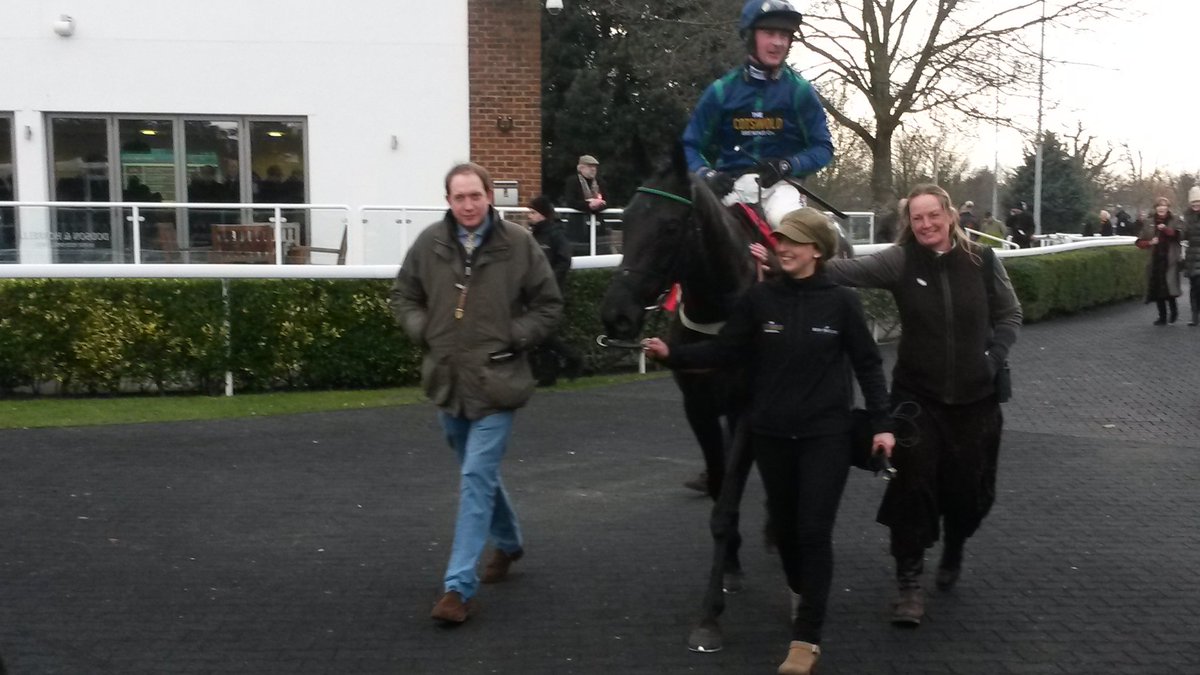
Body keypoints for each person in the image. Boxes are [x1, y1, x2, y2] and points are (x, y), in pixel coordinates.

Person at [644, 208, 894, 675]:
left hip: (827, 436)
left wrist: (882, 423)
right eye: (780, 240)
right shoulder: (760, 300)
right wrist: (672, 353)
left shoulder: (842, 303)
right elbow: (725, 350)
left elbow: (868, 365)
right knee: (788, 531)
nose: (783, 247)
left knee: (814, 530)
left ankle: (806, 640)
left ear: (817, 250)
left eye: (794, 241)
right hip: (772, 435)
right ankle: (801, 590)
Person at [824, 183, 1022, 628]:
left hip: (977, 402)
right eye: (917, 218)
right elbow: (844, 272)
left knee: (969, 494)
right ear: (909, 223)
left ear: (950, 215)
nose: (926, 224)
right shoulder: (900, 260)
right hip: (917, 401)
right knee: (911, 490)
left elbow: (1010, 314)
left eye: (933, 215)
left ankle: (954, 546)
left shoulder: (984, 262)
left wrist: (994, 358)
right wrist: (789, 260)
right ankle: (909, 585)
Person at [390, 162, 563, 624]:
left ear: (490, 197)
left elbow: (549, 305)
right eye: (459, 197)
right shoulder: (430, 243)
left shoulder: (519, 244)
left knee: (473, 480)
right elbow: (404, 295)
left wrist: (514, 334)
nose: (468, 204)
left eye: (475, 195)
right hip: (448, 382)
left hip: (498, 382)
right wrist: (423, 328)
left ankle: (457, 588)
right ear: (448, 200)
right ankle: (508, 544)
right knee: (478, 474)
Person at [682, 0, 833, 230]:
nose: (778, 42)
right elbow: (689, 145)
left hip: (781, 188)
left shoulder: (800, 92)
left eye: (784, 35)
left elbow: (823, 147)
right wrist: (707, 175)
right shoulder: (721, 91)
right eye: (769, 33)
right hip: (728, 188)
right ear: (750, 36)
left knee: (793, 228)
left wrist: (787, 164)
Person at [526, 195, 583, 384]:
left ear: (542, 214)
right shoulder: (534, 235)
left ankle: (572, 359)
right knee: (542, 334)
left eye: (533, 213)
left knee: (544, 334)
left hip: (551, 291)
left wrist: (550, 281)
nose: (530, 216)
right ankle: (549, 373)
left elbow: (564, 260)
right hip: (535, 291)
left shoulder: (556, 234)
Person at [1135, 196, 1183, 325]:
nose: (1161, 208)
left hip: (1170, 260)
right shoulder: (1148, 222)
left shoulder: (1175, 220)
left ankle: (1174, 312)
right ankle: (1162, 316)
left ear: (1168, 208)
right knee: (1157, 290)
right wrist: (1150, 242)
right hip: (1155, 260)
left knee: (1169, 288)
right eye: (1159, 206)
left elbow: (1179, 235)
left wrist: (1165, 229)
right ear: (1155, 208)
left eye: (1164, 205)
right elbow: (1138, 242)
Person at [561, 154, 610, 254]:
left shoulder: (600, 182)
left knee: (600, 250)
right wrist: (589, 206)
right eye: (590, 166)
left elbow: (608, 201)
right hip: (578, 225)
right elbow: (571, 201)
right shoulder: (572, 181)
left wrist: (599, 205)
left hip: (598, 224)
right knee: (578, 251)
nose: (593, 169)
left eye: (595, 167)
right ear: (581, 168)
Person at [1183, 187, 1200, 326]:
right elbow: (1184, 235)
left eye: (1198, 202)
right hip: (1192, 256)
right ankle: (1194, 315)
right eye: (1194, 202)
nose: (1196, 205)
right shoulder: (1187, 217)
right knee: (1194, 287)